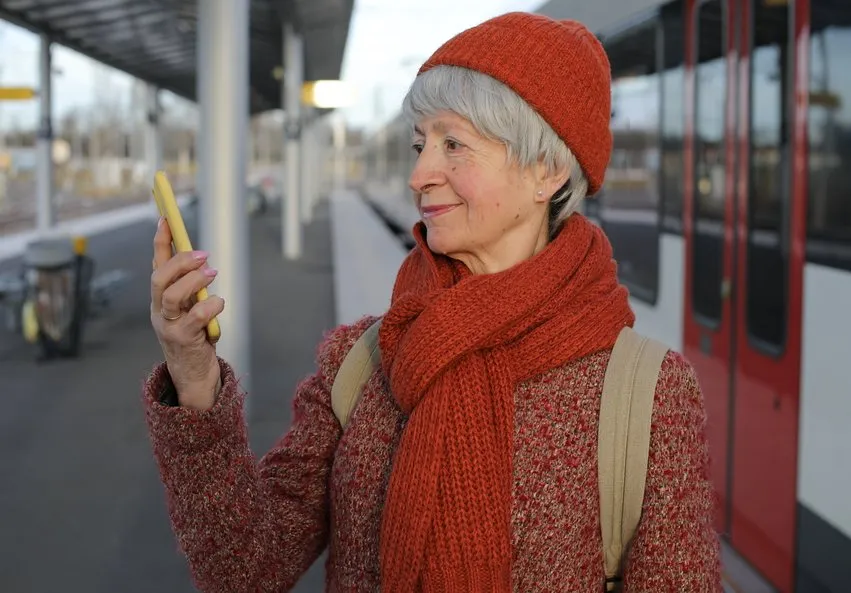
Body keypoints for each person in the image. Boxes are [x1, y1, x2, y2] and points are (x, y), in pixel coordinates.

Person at [143, 11, 721, 593]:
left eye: (454, 145)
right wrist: (192, 375)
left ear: (546, 169)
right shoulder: (359, 361)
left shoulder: (646, 397)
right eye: (421, 144)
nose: (419, 173)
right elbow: (244, 568)